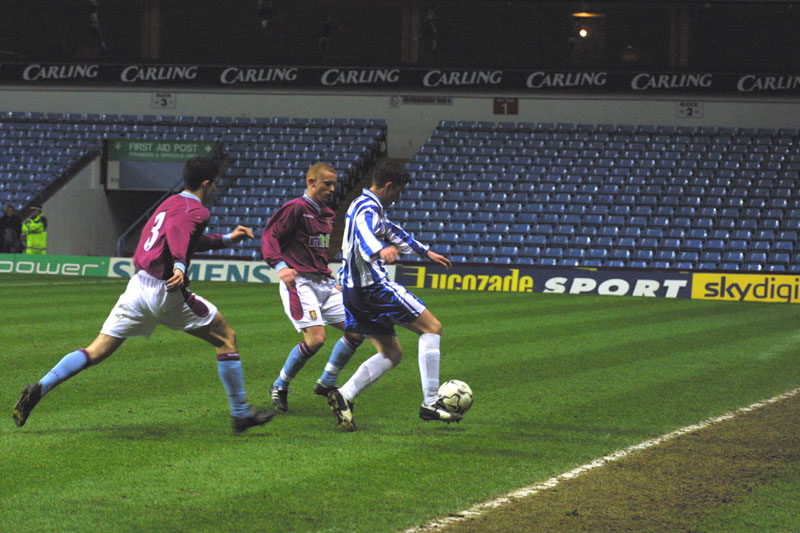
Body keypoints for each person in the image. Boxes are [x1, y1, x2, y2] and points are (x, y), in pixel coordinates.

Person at [12, 157, 274, 434]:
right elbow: (178, 236)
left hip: (137, 286)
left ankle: (41, 387)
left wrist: (226, 240)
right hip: (165, 290)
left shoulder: (170, 202)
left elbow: (181, 236)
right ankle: (240, 413)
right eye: (216, 184)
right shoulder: (196, 211)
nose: (217, 189)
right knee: (225, 336)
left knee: (96, 350)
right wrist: (180, 266)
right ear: (207, 183)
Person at [326, 160, 457, 432]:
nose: (399, 197)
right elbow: (366, 237)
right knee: (432, 328)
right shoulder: (366, 209)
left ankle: (345, 394)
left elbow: (391, 231)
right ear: (388, 186)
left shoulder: (365, 205)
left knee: (392, 353)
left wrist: (425, 251)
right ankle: (431, 402)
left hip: (354, 293)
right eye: (398, 191)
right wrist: (379, 250)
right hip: (374, 289)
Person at [261, 162, 364, 412]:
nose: (332, 189)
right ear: (311, 182)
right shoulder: (296, 208)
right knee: (316, 339)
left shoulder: (327, 215)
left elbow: (318, 252)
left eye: (334, 184)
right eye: (327, 184)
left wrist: (334, 281)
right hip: (300, 283)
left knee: (359, 329)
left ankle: (327, 381)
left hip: (324, 284)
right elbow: (269, 236)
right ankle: (280, 385)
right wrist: (280, 266)